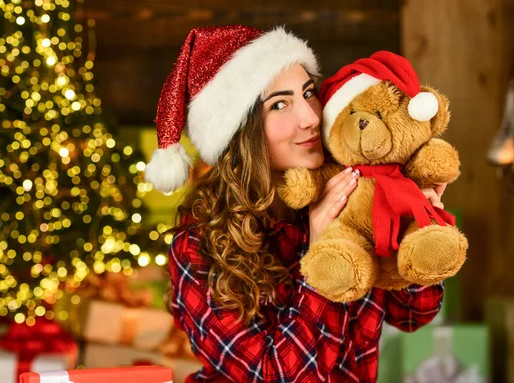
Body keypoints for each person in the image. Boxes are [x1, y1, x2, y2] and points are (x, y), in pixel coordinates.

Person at [145, 25, 446, 382]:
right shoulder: (197, 246)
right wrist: (322, 260)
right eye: (280, 105)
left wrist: (417, 227)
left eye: (308, 93)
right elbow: (276, 376)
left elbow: (412, 316)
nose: (311, 117)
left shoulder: (350, 193)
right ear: (240, 134)